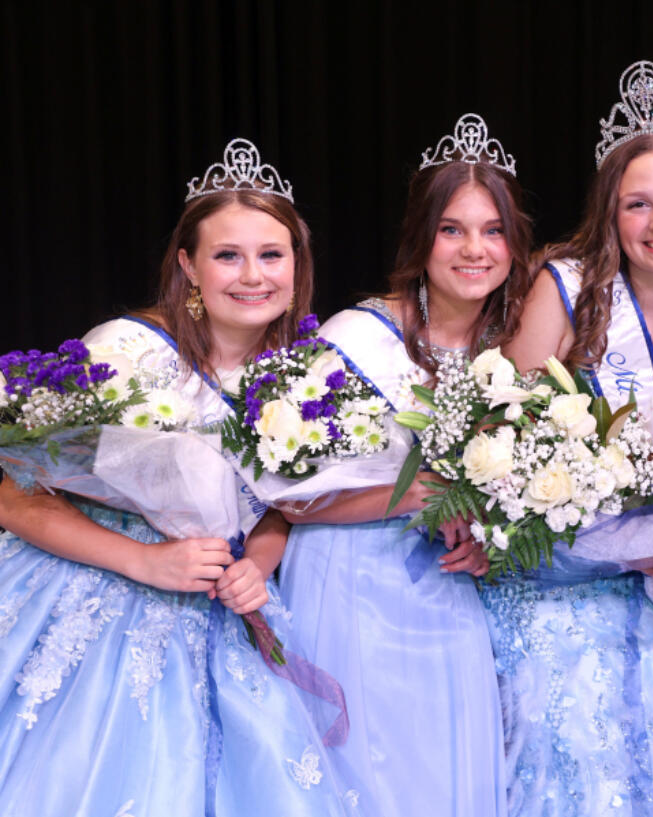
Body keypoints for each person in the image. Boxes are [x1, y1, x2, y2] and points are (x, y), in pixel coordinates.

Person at [0, 138, 358, 815]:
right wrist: (144, 558)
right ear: (189, 266)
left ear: (296, 264)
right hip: (98, 593)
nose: (252, 275)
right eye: (228, 255)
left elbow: (280, 502)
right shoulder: (126, 353)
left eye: (271, 254)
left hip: (224, 607)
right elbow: (12, 491)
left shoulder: (306, 379)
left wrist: (259, 557)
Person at [490, 60, 653, 817]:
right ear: (611, 216)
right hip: (560, 597)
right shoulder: (562, 289)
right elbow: (506, 466)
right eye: (638, 205)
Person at [278, 113, 531, 817]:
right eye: (452, 228)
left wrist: (488, 535)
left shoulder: (517, 353)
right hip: (349, 587)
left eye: (493, 230)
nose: (474, 249)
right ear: (422, 240)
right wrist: (412, 495)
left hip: (447, 600)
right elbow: (285, 498)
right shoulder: (354, 340)